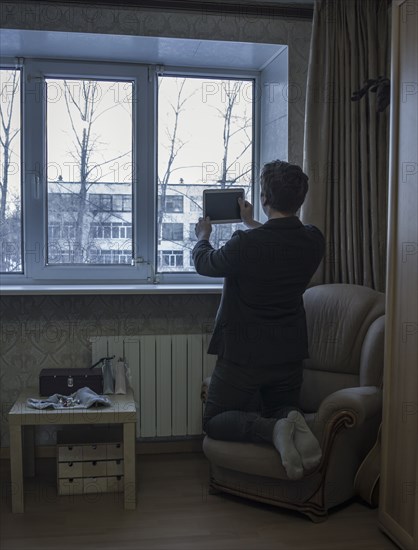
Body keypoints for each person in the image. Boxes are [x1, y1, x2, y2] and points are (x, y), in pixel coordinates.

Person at [192, 160, 325, 480]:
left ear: (264, 198)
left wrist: (202, 235)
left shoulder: (244, 244)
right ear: (301, 199)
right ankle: (290, 420)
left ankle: (273, 428)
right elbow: (278, 244)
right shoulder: (313, 239)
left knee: (214, 420)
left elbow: (206, 264)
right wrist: (252, 221)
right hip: (289, 352)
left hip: (244, 355)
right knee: (283, 404)